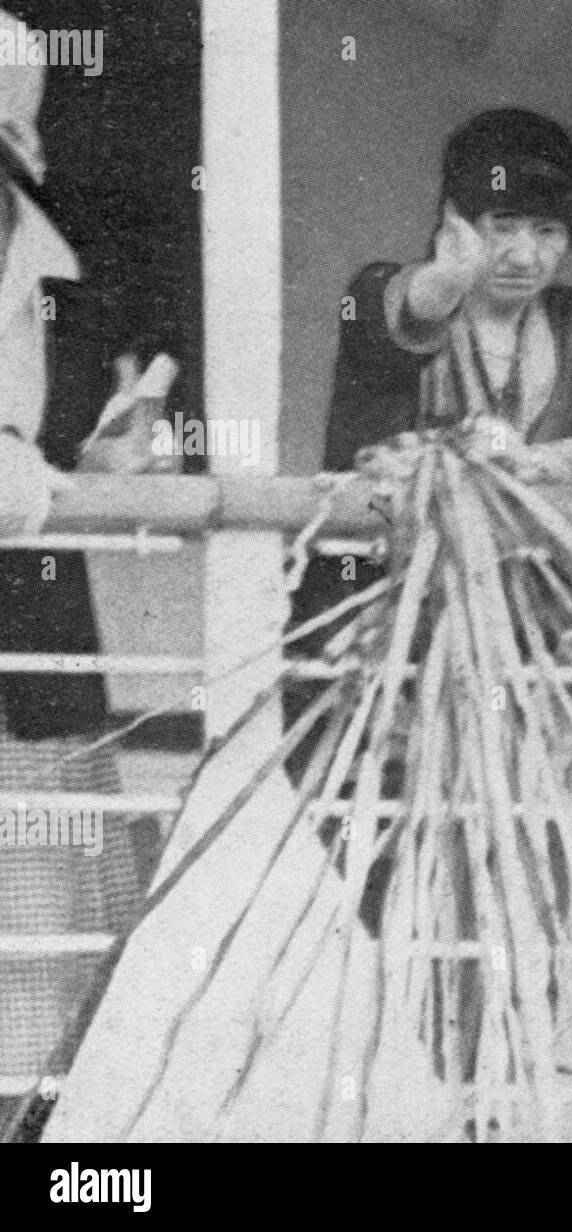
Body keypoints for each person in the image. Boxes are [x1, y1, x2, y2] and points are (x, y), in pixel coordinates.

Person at [288, 108, 572, 1141]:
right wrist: (438, 285)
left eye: (546, 232)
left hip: (526, 664)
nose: (524, 254)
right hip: (375, 667)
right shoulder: (385, 294)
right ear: (451, 219)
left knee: (512, 890)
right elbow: (392, 320)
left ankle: (484, 1112)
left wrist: (550, 461)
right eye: (499, 225)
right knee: (392, 900)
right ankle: (410, 1103)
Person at [0, 8, 178, 1141]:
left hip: (37, 644)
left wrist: (113, 449)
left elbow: (69, 445)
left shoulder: (56, 274)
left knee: (49, 947)